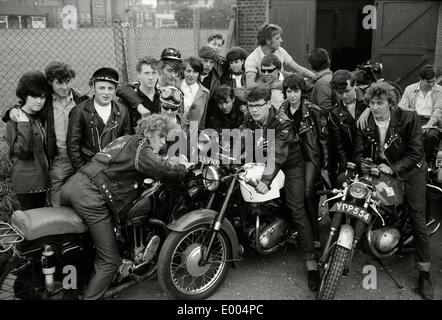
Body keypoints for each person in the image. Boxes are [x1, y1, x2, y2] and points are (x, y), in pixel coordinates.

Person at [61, 113, 191, 299]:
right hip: (91, 196)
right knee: (109, 260)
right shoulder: (141, 147)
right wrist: (182, 168)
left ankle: (80, 281)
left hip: (74, 185)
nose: (164, 142)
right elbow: (159, 169)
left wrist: (166, 161)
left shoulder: (126, 139)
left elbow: (150, 162)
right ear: (148, 131)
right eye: (161, 136)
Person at [353, 82, 433, 300]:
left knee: (417, 217)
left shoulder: (408, 118)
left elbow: (416, 153)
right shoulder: (365, 121)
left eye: (380, 103)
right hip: (382, 168)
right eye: (371, 103)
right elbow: (358, 152)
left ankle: (424, 274)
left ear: (391, 103)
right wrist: (363, 163)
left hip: (410, 169)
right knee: (359, 194)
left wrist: (394, 168)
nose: (375, 107)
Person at [242, 85, 320, 291]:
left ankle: (312, 263)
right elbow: (243, 138)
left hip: (290, 164)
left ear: (268, 103)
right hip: (262, 160)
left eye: (258, 105)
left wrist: (265, 180)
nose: (254, 110)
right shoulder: (249, 119)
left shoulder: (282, 123)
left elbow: (278, 154)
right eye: (250, 106)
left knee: (296, 208)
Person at [2, 62, 88, 207]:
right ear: (50, 83)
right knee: (56, 200)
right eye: (60, 83)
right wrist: (10, 112)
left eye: (67, 82)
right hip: (58, 158)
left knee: (83, 196)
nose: (65, 87)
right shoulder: (44, 102)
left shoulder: (80, 100)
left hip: (81, 156)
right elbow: (25, 108)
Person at [279, 74, 329, 248]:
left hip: (309, 158)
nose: (292, 95)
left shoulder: (314, 110)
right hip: (289, 157)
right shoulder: (283, 107)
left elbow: (323, 141)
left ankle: (314, 238)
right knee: (284, 192)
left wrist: (325, 166)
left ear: (302, 92)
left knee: (307, 193)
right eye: (289, 91)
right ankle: (291, 231)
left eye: (296, 91)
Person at [67, 67, 132, 172]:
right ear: (93, 88)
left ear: (115, 90)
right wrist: (83, 171)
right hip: (90, 165)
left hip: (115, 166)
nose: (106, 92)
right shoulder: (80, 111)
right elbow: (73, 146)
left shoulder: (122, 110)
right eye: (101, 88)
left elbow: (127, 141)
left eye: (110, 88)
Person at [4, 71, 51, 210]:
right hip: (28, 185)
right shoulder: (15, 120)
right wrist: (23, 125)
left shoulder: (41, 116)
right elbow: (22, 152)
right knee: (33, 225)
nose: (39, 101)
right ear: (24, 95)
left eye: (42, 97)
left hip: (44, 181)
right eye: (34, 96)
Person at [244, 23, 315, 89]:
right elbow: (250, 85)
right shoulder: (252, 59)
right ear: (268, 41)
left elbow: (299, 69)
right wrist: (275, 84)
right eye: (277, 38)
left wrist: (316, 78)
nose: (281, 40)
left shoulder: (280, 51)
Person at [328, 70, 369, 182]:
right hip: (351, 160)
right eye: (340, 93)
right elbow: (338, 146)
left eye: (347, 91)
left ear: (354, 85)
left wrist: (368, 109)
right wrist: (348, 166)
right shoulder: (334, 113)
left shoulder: (368, 99)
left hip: (371, 157)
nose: (344, 96)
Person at [398, 65, 442, 163]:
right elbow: (401, 107)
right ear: (421, 79)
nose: (431, 84)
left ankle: (426, 162)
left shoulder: (440, 90)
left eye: (433, 81)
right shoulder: (410, 89)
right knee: (401, 134)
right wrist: (413, 115)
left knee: (431, 136)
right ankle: (405, 161)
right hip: (413, 118)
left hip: (431, 121)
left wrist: (428, 125)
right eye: (428, 82)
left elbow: (438, 111)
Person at [116, 56, 161, 130]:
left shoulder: (162, 97)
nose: (151, 77)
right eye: (146, 73)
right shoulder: (128, 98)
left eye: (154, 73)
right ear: (138, 75)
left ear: (158, 74)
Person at [179, 56, 210, 129]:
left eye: (195, 72)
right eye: (188, 71)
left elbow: (203, 119)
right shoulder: (176, 86)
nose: (191, 75)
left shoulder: (205, 92)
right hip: (175, 132)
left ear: (199, 73)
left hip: (193, 132)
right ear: (183, 71)